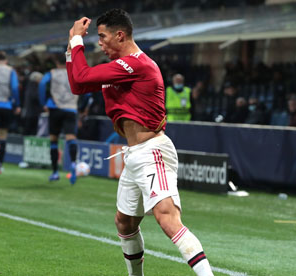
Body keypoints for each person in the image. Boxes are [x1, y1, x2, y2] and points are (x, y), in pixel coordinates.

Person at [66, 9, 213, 276]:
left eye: (102, 37)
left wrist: (76, 40)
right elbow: (78, 84)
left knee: (167, 218)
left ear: (119, 35)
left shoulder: (136, 64)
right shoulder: (120, 67)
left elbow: (82, 77)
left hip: (152, 149)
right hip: (135, 153)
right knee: (124, 222)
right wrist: (71, 45)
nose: (99, 43)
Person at [39, 54, 79, 185]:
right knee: (71, 138)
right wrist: (80, 105)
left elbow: (42, 85)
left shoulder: (52, 73)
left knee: (53, 140)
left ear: (56, 62)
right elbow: (87, 90)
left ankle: (55, 172)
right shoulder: (74, 72)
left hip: (54, 107)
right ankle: (73, 163)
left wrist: (44, 102)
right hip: (70, 108)